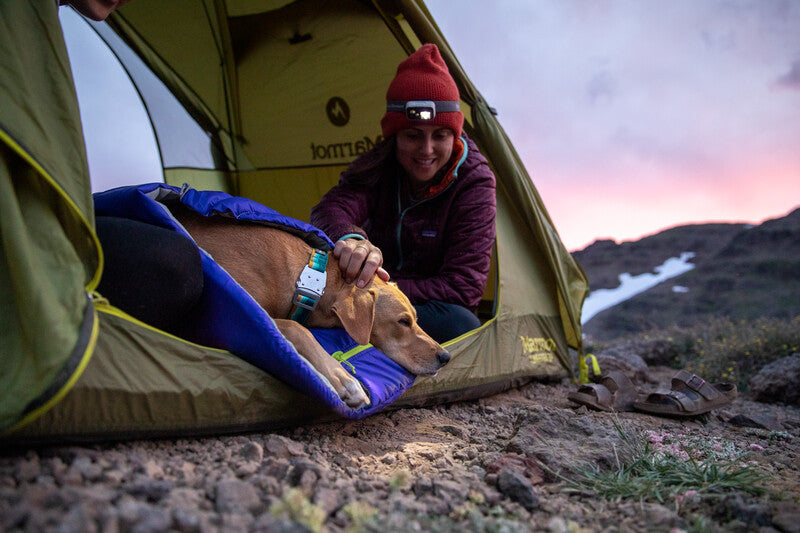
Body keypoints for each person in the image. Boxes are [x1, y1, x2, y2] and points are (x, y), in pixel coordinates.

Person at [310, 44, 497, 343]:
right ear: (395, 135)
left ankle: (345, 340)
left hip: (414, 301)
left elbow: (463, 288)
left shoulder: (475, 182)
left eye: (440, 135)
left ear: (456, 134)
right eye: (412, 136)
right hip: (366, 290)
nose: (426, 150)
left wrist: (382, 288)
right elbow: (332, 208)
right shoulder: (380, 164)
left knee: (462, 325)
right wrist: (351, 238)